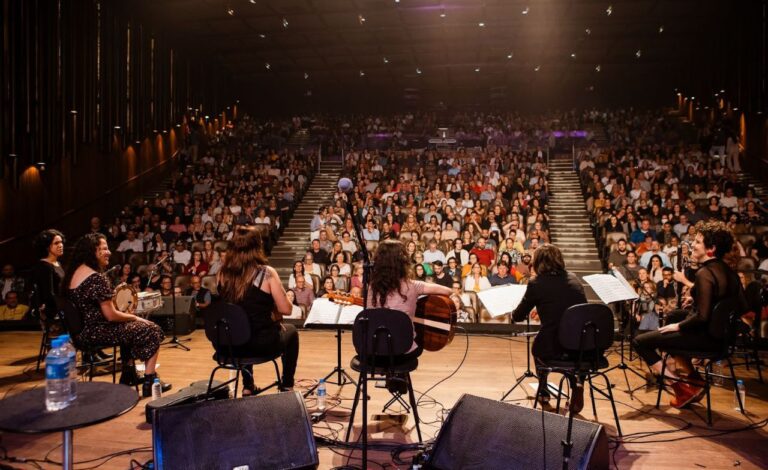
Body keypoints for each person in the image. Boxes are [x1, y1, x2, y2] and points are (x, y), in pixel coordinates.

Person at [633, 220, 747, 408]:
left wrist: (677, 327)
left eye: (698, 242)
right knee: (675, 315)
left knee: (640, 342)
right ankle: (695, 380)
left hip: (706, 338)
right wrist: (701, 300)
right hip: (722, 339)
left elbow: (702, 317)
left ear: (711, 248)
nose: (692, 245)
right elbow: (740, 305)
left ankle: (681, 389)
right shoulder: (730, 272)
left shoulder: (705, 273)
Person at [63, 233, 169, 396]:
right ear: (93, 251)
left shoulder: (72, 275)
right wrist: (135, 317)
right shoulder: (95, 278)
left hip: (81, 334)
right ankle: (150, 381)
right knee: (151, 329)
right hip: (96, 333)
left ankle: (129, 375)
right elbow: (111, 316)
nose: (109, 252)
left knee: (128, 327)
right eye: (104, 248)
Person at [217, 226, 298, 394]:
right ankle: (287, 385)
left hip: (228, 345)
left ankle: (248, 386)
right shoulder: (266, 273)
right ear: (257, 246)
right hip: (259, 345)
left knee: (242, 328)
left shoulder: (222, 273)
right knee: (292, 332)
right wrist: (288, 298)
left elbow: (237, 311)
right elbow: (286, 309)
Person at [511, 244, 588, 411]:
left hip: (554, 346)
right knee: (567, 354)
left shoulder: (536, 283)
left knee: (537, 348)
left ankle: (544, 389)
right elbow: (575, 309)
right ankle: (577, 382)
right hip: (581, 346)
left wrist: (513, 313)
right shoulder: (574, 278)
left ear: (538, 262)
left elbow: (518, 316)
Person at [367, 240, 456, 363]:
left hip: (374, 351)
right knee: (412, 337)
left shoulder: (372, 287)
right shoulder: (414, 286)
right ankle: (399, 378)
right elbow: (448, 291)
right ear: (403, 263)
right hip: (403, 351)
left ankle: (391, 378)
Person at [29, 229, 66, 328]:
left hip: (61, 305)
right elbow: (49, 294)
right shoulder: (44, 266)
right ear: (46, 246)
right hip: (53, 310)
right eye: (56, 243)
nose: (61, 245)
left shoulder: (58, 264)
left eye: (61, 242)